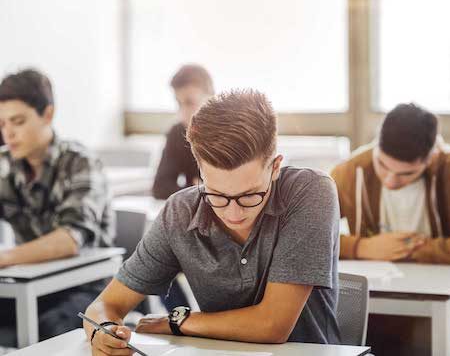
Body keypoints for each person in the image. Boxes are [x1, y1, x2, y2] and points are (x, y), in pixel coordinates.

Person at [84, 90, 341, 355]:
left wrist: (178, 322)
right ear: (200, 170)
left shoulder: (310, 191)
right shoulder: (180, 211)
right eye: (216, 195)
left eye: (249, 195)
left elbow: (273, 325)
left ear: (275, 167)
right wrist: (102, 331)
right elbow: (103, 306)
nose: (233, 213)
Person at [331, 103, 450, 355]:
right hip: (380, 301)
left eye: (406, 174)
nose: (391, 180)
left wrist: (418, 249)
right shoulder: (353, 170)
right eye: (383, 166)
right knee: (340, 335)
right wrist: (364, 247)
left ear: (432, 157)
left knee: (424, 343)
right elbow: (306, 237)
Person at [0, 69, 114, 345]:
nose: (8, 133)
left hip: (88, 289)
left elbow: (69, 240)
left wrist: (4, 258)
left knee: (52, 325)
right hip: (31, 284)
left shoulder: (80, 162)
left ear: (47, 115)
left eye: (18, 121)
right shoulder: (6, 166)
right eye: (2, 124)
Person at [152, 64, 214, 200]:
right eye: (179, 104)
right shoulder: (178, 133)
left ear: (211, 99)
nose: (182, 113)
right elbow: (160, 187)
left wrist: (199, 188)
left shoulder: (233, 133)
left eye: (190, 103)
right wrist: (200, 189)